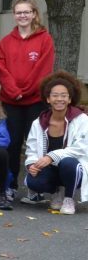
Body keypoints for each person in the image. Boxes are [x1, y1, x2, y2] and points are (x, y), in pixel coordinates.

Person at [0, 0, 55, 205]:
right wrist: (13, 91)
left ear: (33, 14)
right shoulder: (5, 42)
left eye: (26, 12)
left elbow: (43, 70)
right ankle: (9, 187)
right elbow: (1, 69)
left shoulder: (44, 39)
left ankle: (33, 187)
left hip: (35, 101)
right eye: (18, 12)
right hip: (11, 102)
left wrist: (26, 91)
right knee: (11, 145)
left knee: (36, 145)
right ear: (14, 15)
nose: (22, 15)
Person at [24, 72, 87, 215]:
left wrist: (51, 156)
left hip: (75, 167)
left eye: (64, 95)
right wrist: (31, 164)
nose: (59, 99)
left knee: (68, 163)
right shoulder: (38, 122)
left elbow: (80, 149)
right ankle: (56, 192)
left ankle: (69, 198)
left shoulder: (82, 120)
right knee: (34, 181)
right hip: (51, 168)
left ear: (70, 99)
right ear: (48, 99)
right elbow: (31, 149)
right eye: (55, 95)